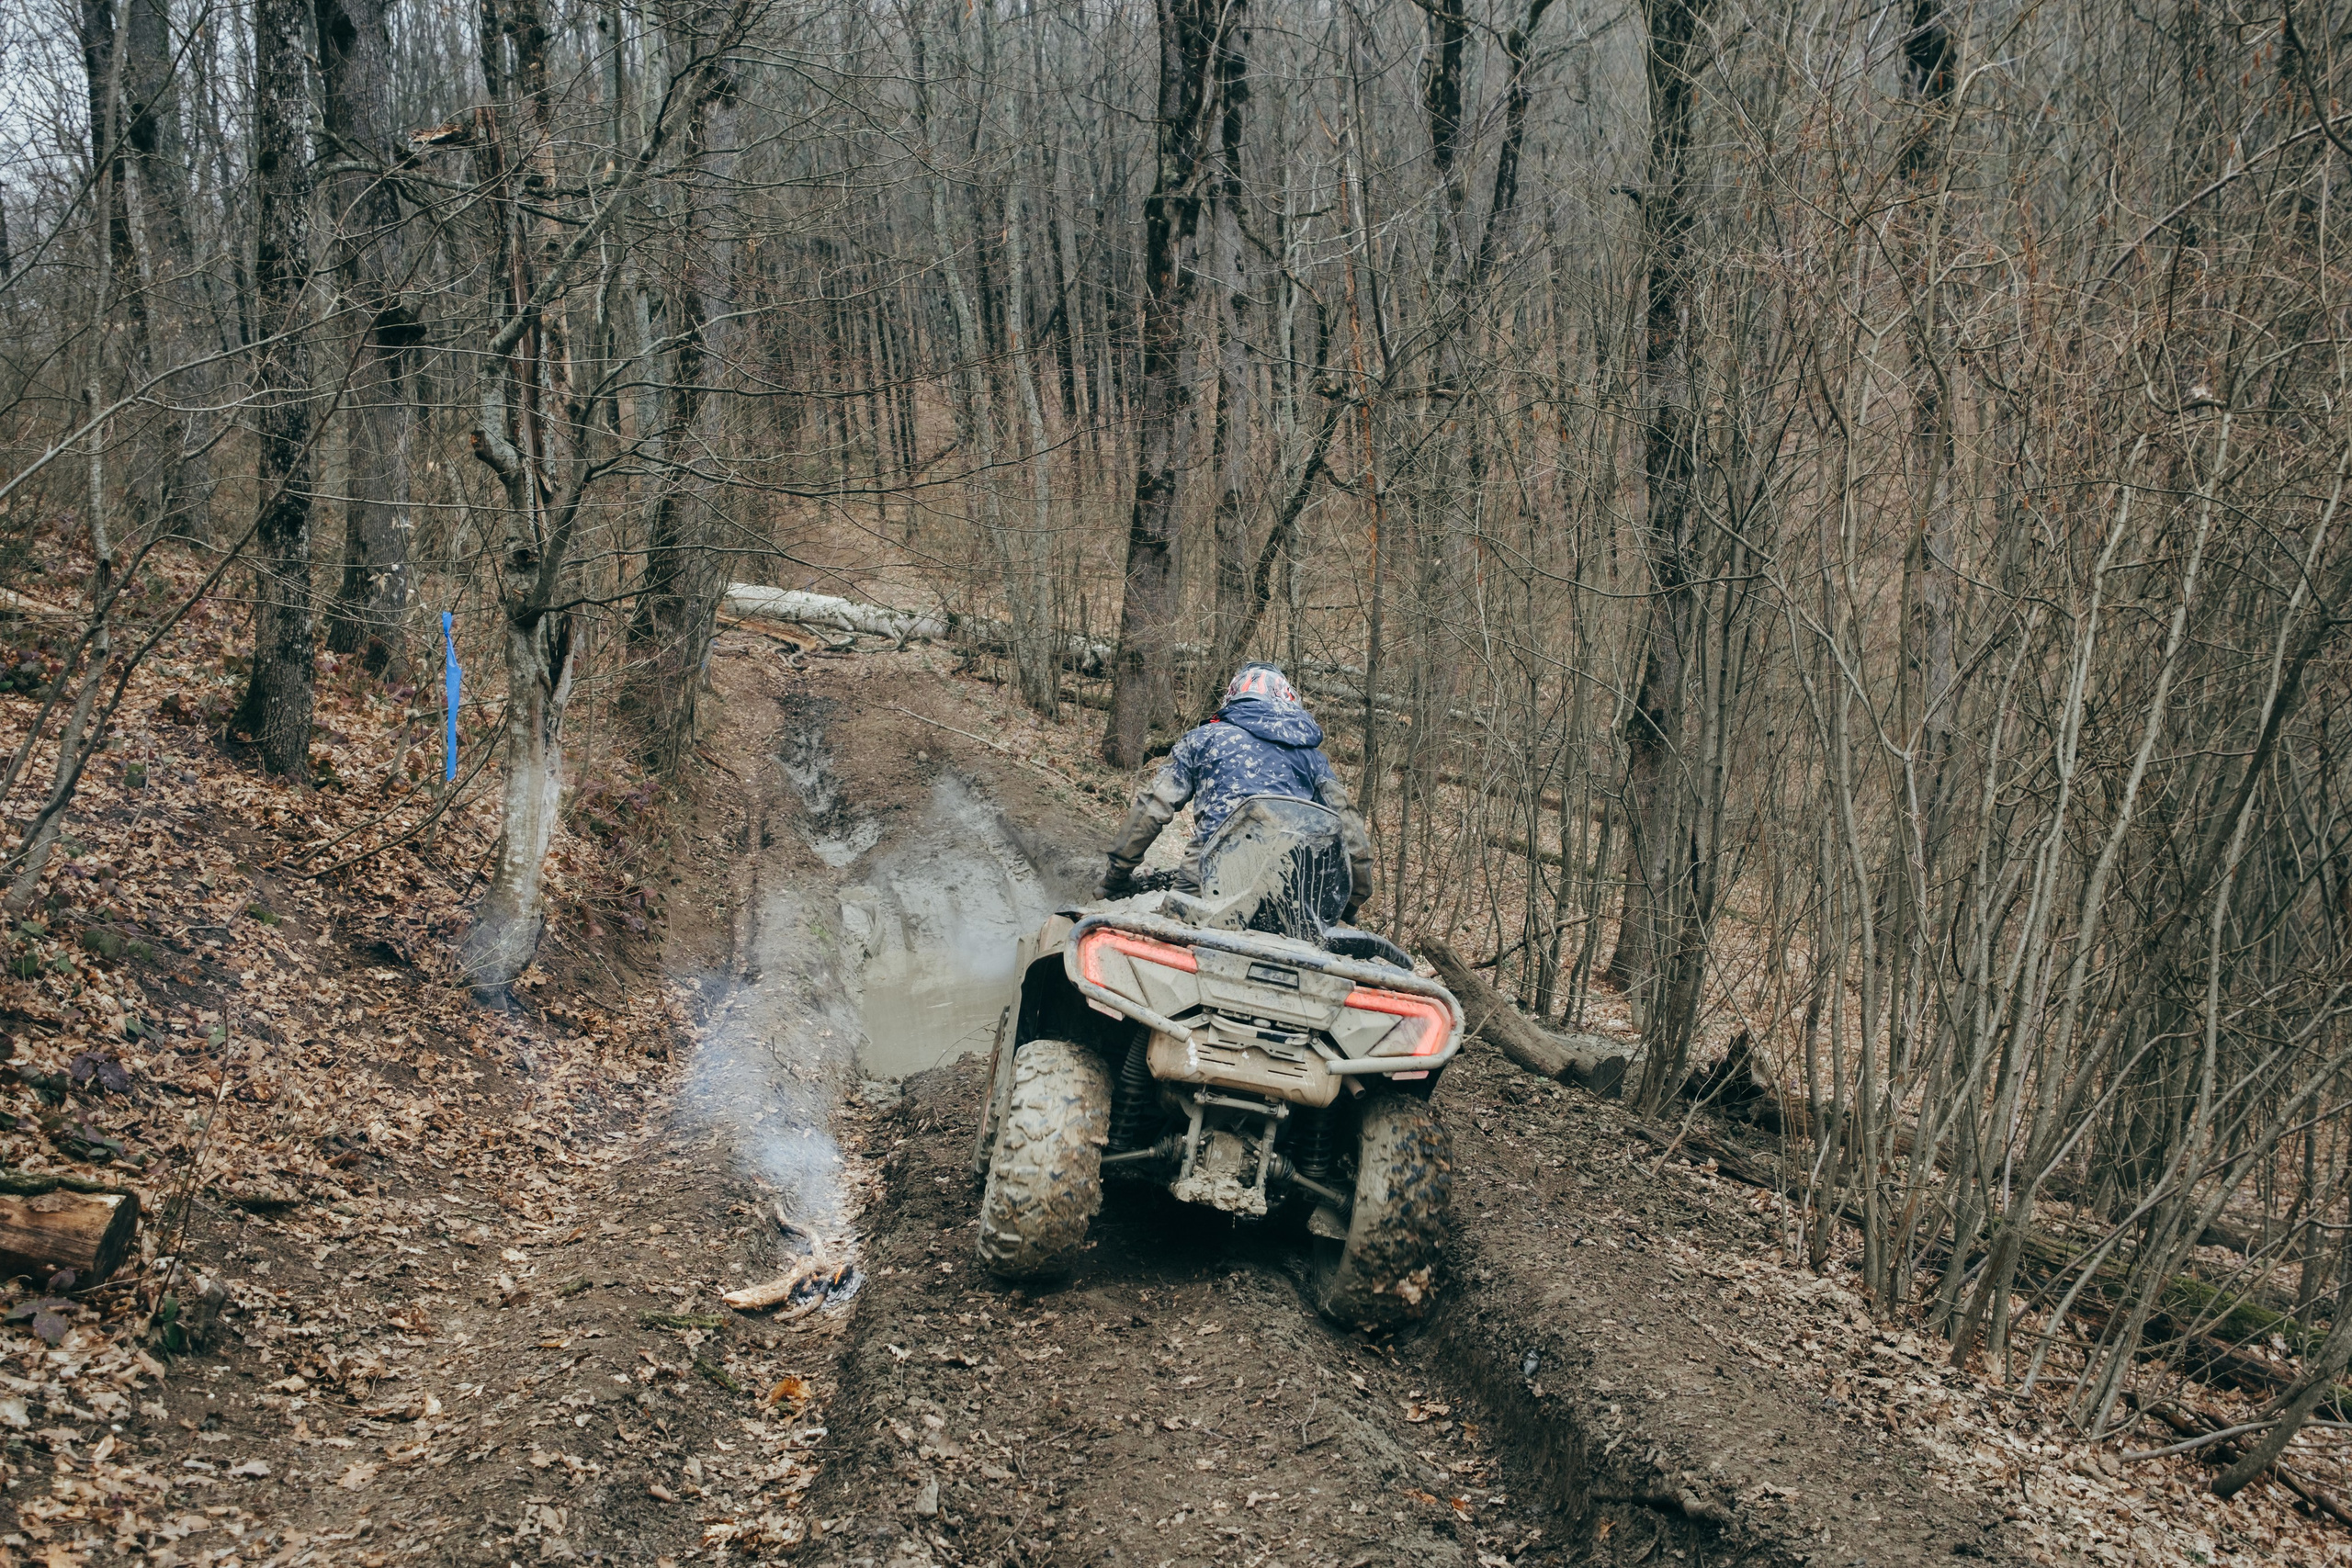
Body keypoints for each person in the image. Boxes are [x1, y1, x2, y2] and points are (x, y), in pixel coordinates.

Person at [1099, 662, 1375, 920]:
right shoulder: (1312, 759)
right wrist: (1351, 902)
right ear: (1287, 699)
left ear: (1233, 697)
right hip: (1288, 899)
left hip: (1204, 886)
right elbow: (1353, 838)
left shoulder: (1203, 739)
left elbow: (1152, 808)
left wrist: (1116, 876)